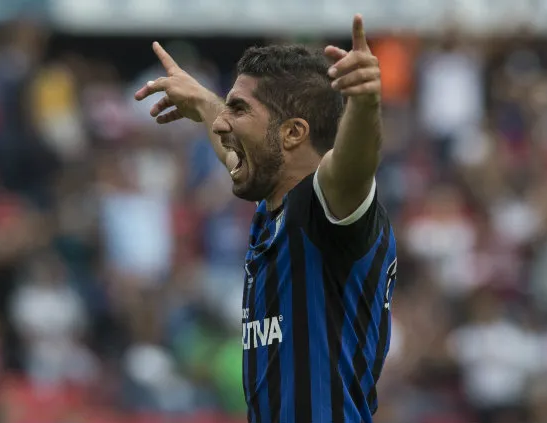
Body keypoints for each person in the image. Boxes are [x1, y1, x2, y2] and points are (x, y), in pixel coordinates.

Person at [135, 15, 398, 423]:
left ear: (293, 133)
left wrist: (365, 104)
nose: (223, 122)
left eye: (238, 109)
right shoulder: (275, 206)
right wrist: (205, 103)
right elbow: (235, 154)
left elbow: (353, 166)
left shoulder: (326, 209)